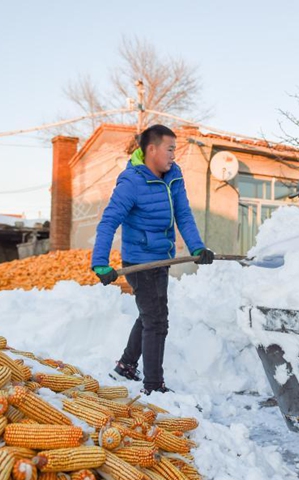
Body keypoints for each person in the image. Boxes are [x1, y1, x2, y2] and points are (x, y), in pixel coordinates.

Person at [91, 124, 214, 395]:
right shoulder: (131, 181)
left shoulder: (174, 176)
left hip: (161, 259)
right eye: (170, 149)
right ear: (152, 149)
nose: (173, 155)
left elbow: (183, 214)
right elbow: (109, 221)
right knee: (157, 320)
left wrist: (197, 248)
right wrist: (100, 262)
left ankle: (126, 365)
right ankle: (153, 385)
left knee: (149, 315)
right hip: (139, 261)